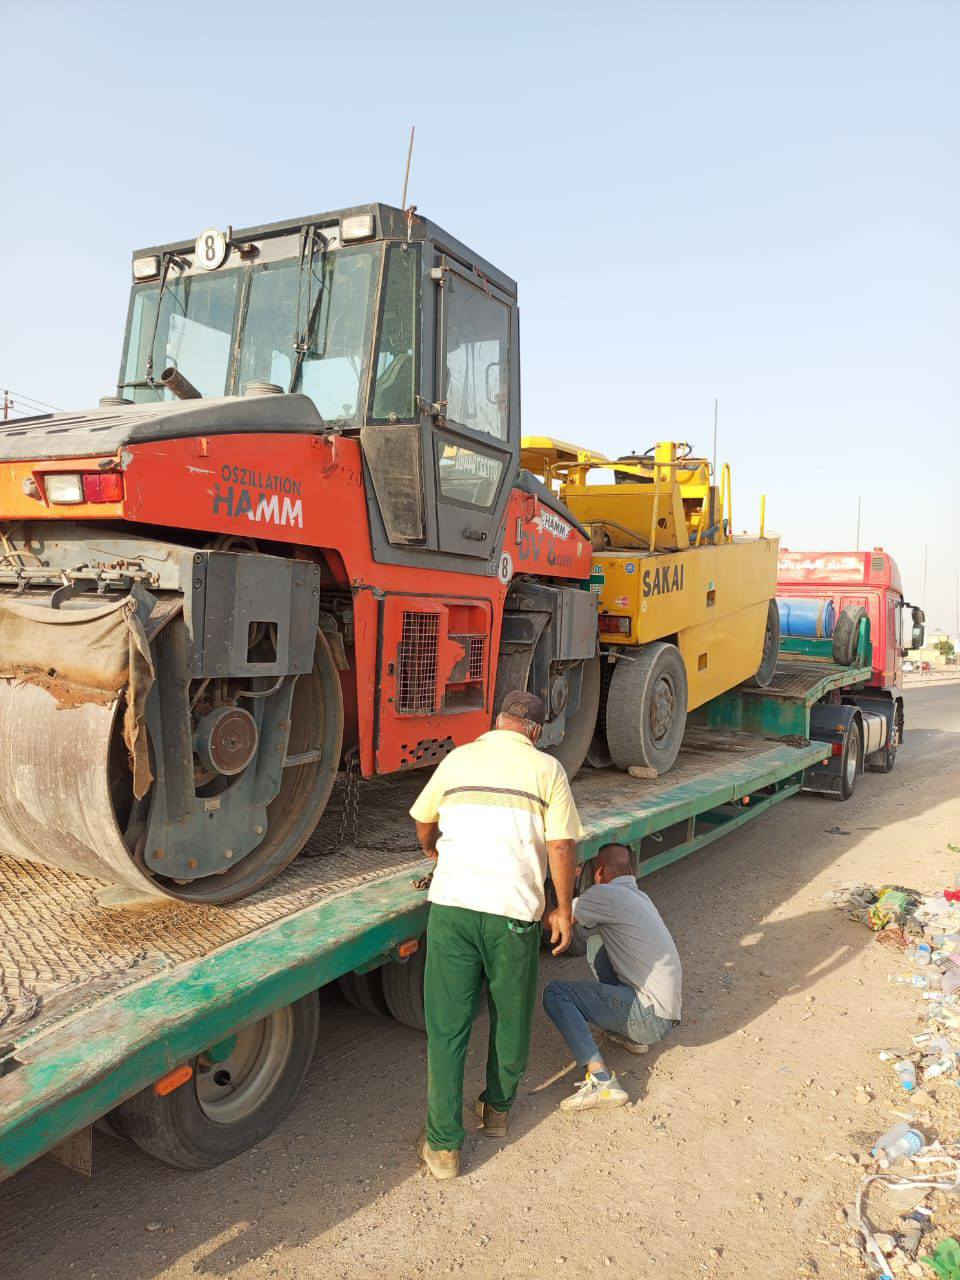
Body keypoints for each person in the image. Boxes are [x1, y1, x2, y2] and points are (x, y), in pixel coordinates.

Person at [409, 690, 583, 1180]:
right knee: (510, 1016)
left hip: (453, 909)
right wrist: (562, 909)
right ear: (536, 731)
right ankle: (496, 1112)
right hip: (512, 914)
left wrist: (433, 850)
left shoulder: (459, 759)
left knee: (448, 1029)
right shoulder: (547, 770)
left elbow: (423, 820)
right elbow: (561, 845)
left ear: (498, 720)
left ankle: (444, 1148)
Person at [542, 842, 681, 1112]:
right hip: (663, 1012)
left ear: (599, 872)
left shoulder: (604, 894)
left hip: (648, 1016)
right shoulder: (640, 897)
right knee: (597, 944)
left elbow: (555, 921)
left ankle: (601, 1081)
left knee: (556, 993)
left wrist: (551, 886)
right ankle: (631, 1037)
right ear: (631, 870)